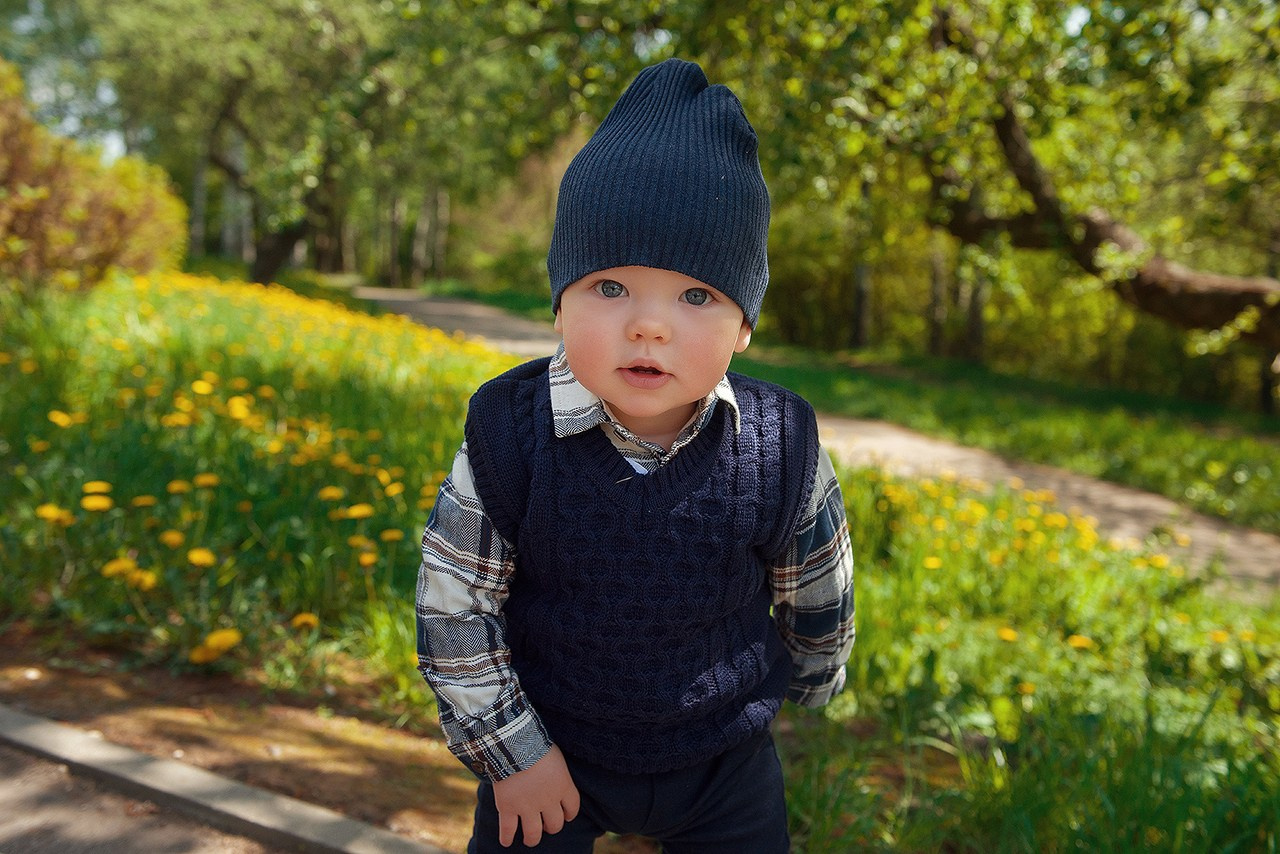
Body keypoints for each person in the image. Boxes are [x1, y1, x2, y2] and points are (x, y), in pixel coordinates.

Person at [415, 57, 855, 853]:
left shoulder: (779, 442)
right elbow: (455, 605)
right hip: (548, 744)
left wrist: (816, 677)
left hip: (723, 758)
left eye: (696, 297)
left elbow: (816, 583)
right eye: (610, 287)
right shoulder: (510, 433)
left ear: (744, 326)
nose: (649, 326)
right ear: (559, 300)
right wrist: (513, 755)